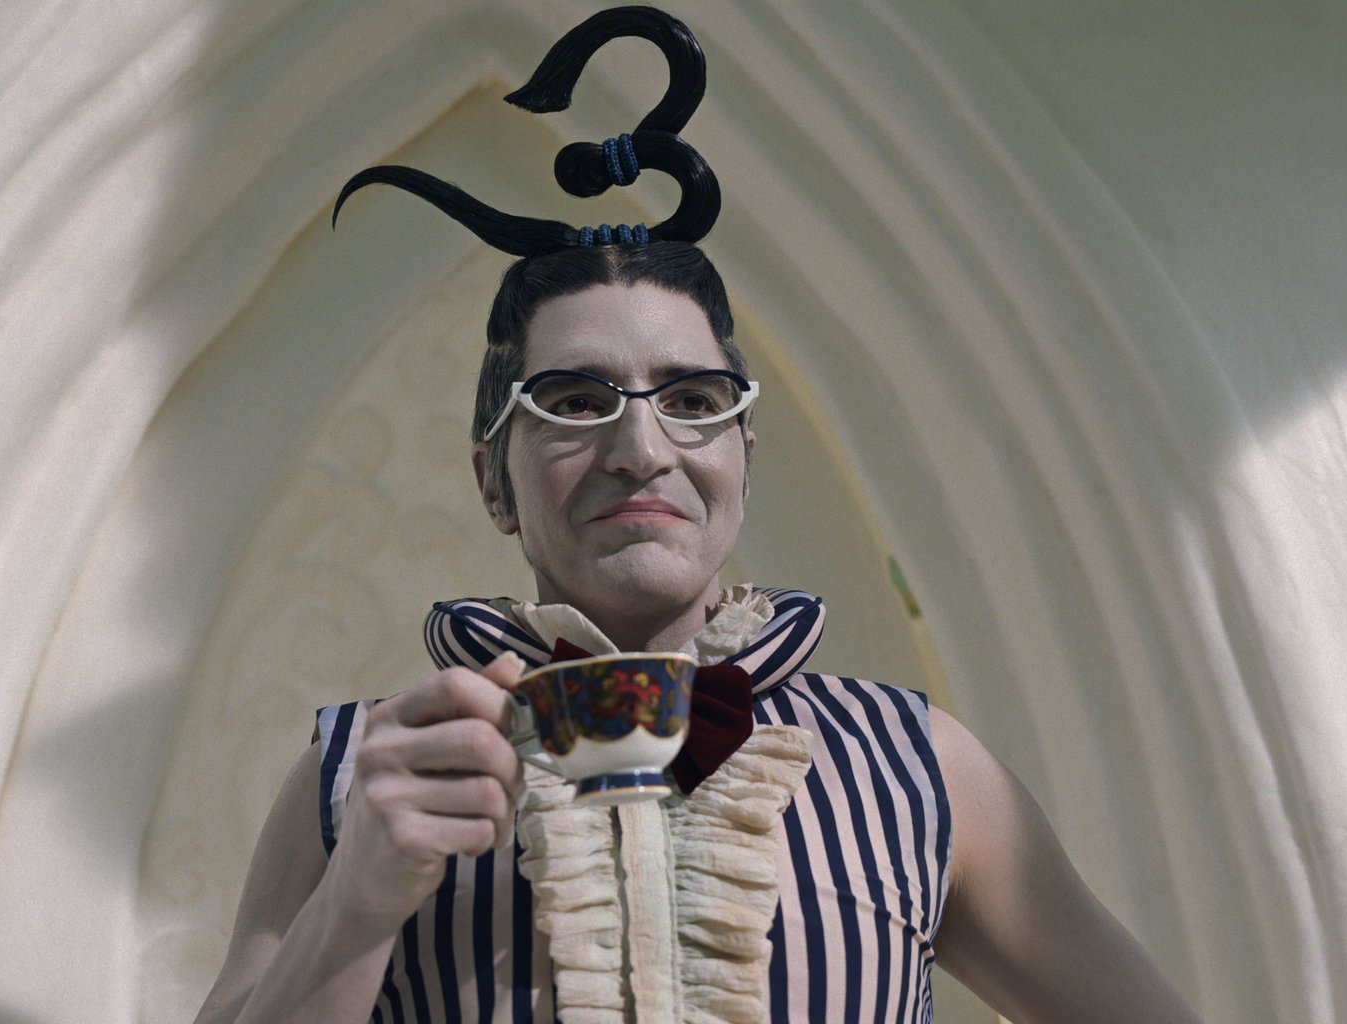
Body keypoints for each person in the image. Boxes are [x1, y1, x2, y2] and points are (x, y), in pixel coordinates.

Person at [195, 8, 1204, 1023]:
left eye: (691, 400)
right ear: (493, 479)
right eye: (574, 403)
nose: (641, 449)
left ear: (742, 457)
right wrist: (355, 906)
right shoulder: (352, 776)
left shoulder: (924, 768)